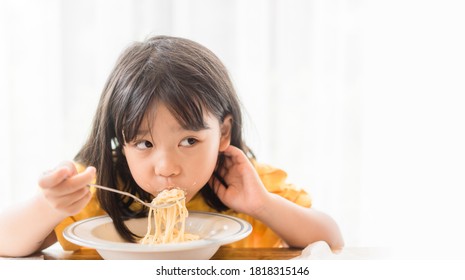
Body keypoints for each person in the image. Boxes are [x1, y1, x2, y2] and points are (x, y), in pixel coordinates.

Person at [0, 35, 344, 257]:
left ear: (223, 133)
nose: (166, 167)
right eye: (145, 143)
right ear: (120, 138)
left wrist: (264, 205)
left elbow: (331, 240)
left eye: (189, 141)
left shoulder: (246, 184)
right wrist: (49, 205)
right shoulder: (97, 190)